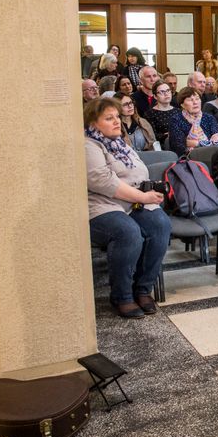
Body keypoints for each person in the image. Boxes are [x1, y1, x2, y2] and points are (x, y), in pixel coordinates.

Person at [84, 97, 170, 318]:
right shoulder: (89, 145)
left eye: (117, 117)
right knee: (128, 232)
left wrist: (147, 194)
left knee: (160, 224)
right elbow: (103, 182)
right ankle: (122, 296)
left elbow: (140, 172)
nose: (117, 122)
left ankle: (142, 289)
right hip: (102, 205)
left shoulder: (121, 144)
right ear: (93, 123)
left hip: (133, 202)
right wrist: (143, 196)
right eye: (109, 118)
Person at [168, 87, 218, 155]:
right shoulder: (176, 120)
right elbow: (177, 146)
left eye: (197, 99)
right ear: (182, 105)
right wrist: (209, 143)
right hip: (187, 158)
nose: (195, 102)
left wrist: (196, 143)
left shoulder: (209, 118)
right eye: (190, 100)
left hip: (212, 156)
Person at [144, 79, 179, 143]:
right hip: (161, 146)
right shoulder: (149, 114)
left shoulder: (178, 111)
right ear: (155, 96)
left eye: (168, 90)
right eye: (162, 92)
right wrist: (168, 135)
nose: (166, 94)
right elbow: (152, 136)